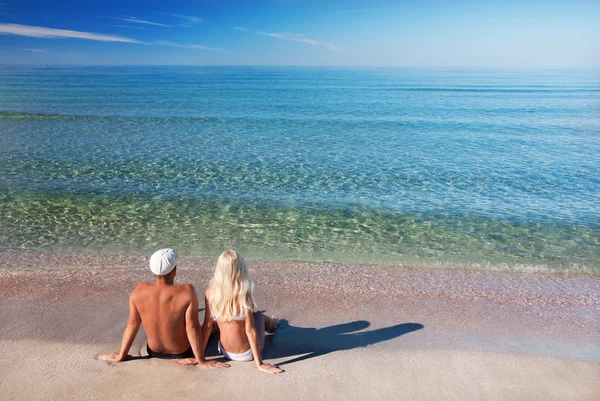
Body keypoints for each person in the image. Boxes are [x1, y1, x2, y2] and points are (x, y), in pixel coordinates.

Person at [100, 248, 229, 369]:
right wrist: (201, 361)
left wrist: (121, 355)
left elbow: (132, 325)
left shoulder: (138, 292)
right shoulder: (186, 291)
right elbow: (192, 328)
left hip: (153, 351)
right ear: (174, 270)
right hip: (183, 352)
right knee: (213, 326)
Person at [202, 250, 283, 374]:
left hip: (224, 351)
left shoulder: (210, 293)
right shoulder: (244, 296)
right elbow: (250, 331)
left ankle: (273, 322)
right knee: (259, 316)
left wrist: (200, 357)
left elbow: (207, 326)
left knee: (215, 322)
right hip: (247, 354)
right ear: (241, 270)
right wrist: (259, 363)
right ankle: (274, 323)